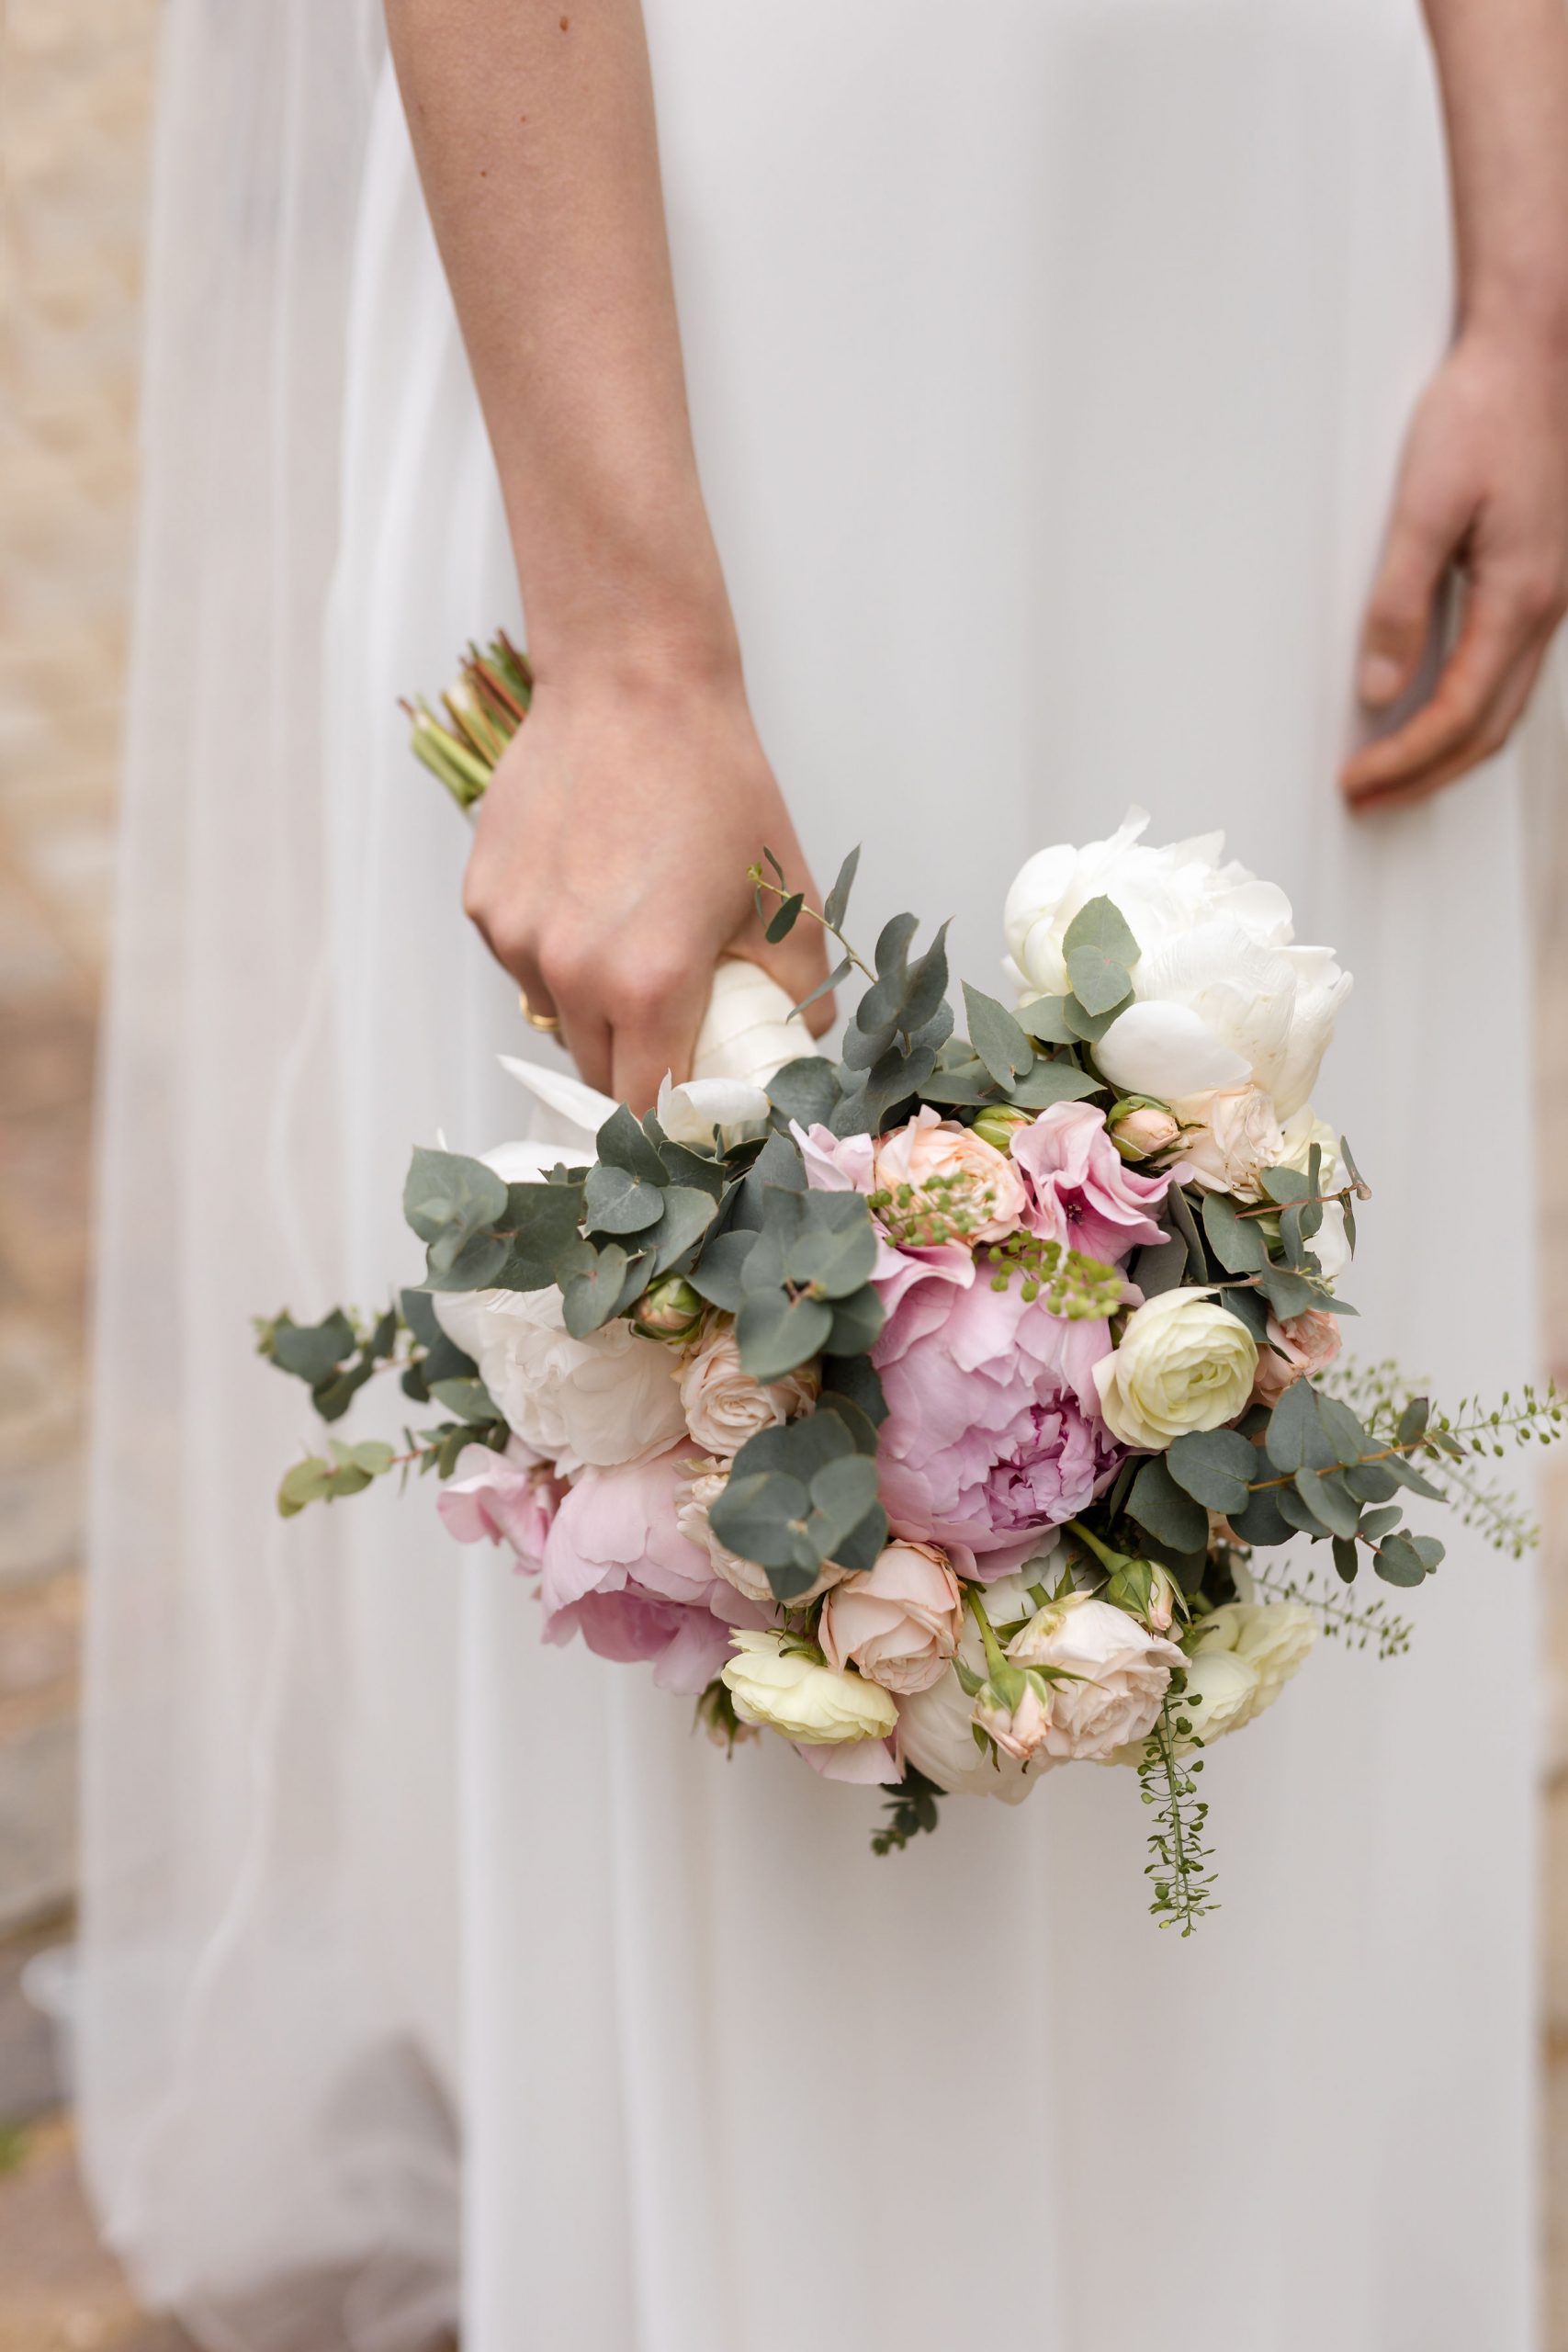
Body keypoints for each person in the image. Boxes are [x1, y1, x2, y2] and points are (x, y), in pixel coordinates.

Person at [79, 2, 1568, 2346]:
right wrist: (631, 646)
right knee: (771, 1434)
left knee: (1277, 1374)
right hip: (758, 240)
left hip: (1294, 219)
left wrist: (1535, 256)